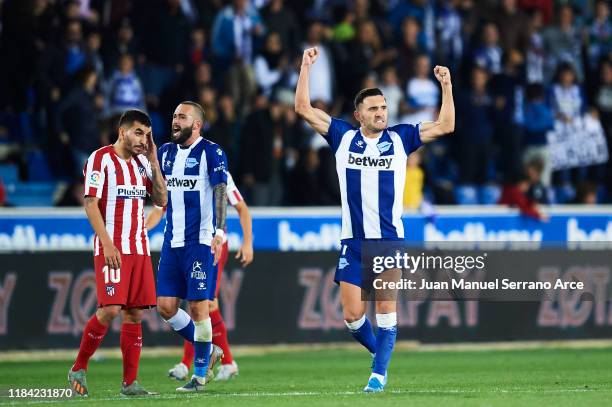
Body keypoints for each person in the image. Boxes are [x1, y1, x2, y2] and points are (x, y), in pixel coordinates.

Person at [294, 47, 454, 392]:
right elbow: (303, 109)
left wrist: (447, 85)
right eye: (374, 108)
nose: (381, 113)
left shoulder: (401, 138)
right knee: (352, 316)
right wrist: (305, 67)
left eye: (383, 107)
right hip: (353, 242)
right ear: (358, 114)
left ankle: (378, 376)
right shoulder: (342, 137)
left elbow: (446, 125)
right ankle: (379, 354)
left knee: (385, 308)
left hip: (388, 240)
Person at [67, 109, 168, 397]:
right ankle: (79, 366)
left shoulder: (141, 163)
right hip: (112, 247)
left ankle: (129, 383)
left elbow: (161, 199)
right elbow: (90, 203)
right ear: (122, 131)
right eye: (138, 133)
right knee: (110, 308)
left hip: (139, 247)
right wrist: (107, 242)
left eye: (147, 135)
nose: (143, 139)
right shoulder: (100, 159)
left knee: (134, 314)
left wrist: (154, 162)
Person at [146, 171, 254, 381]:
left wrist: (248, 242)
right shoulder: (173, 168)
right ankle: (207, 362)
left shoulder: (217, 170)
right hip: (182, 244)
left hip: (211, 245)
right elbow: (160, 208)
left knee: (205, 305)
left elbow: (241, 208)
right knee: (196, 307)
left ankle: (202, 363)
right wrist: (141, 229)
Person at [155, 101, 229, 392]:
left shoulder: (212, 151)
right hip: (171, 241)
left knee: (199, 308)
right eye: (174, 115)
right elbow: (157, 194)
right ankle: (209, 350)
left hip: (199, 241)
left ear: (196, 124)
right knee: (165, 307)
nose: (175, 120)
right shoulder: (165, 153)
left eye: (182, 116)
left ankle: (199, 376)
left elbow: (221, 191)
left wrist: (220, 232)